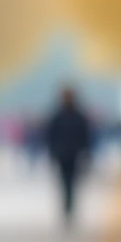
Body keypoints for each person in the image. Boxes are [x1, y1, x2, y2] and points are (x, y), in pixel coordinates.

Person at [45, 86, 92, 229]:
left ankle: (69, 207)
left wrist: (86, 152)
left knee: (71, 182)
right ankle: (68, 207)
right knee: (66, 182)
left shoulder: (71, 116)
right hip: (63, 154)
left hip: (73, 154)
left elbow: (85, 136)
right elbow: (50, 136)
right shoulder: (60, 116)